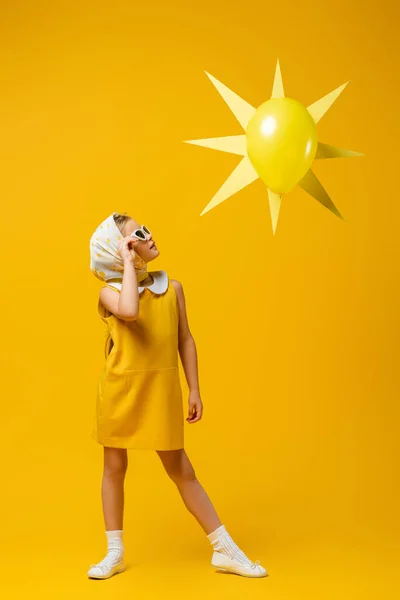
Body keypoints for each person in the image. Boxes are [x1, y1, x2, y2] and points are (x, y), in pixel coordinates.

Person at [88, 211, 268, 579]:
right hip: (119, 390)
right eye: (137, 234)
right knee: (114, 467)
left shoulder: (173, 288)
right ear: (120, 249)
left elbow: (185, 339)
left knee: (182, 470)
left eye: (146, 227)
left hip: (160, 389)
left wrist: (195, 388)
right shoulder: (109, 293)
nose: (148, 234)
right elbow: (131, 311)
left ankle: (224, 550)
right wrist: (126, 263)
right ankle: (114, 552)